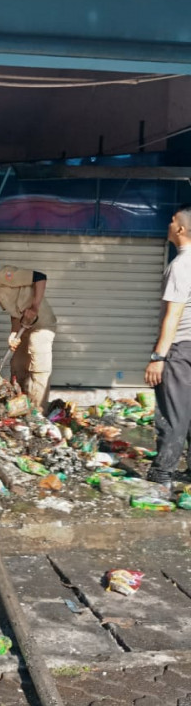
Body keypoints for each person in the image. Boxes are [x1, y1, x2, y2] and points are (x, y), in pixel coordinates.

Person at [0, 248, 57, 412]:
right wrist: (13, 333)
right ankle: (20, 406)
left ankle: (38, 410)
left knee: (38, 365)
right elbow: (14, 311)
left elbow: (40, 278)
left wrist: (34, 306)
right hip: (24, 324)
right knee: (17, 363)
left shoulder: (3, 274)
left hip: (41, 322)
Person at [144, 204, 191, 492]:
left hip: (180, 349)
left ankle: (162, 473)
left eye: (172, 221)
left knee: (171, 413)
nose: (168, 224)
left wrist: (158, 357)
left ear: (182, 229)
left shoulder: (180, 266)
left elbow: (173, 315)